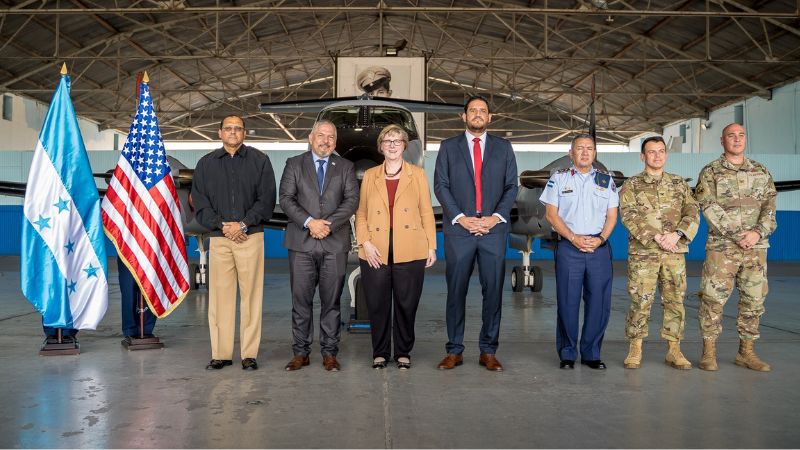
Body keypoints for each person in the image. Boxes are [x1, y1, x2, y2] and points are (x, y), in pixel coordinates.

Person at [433, 95, 518, 372]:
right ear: (464, 117)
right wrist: (461, 218)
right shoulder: (448, 147)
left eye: (483, 110)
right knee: (455, 292)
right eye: (473, 110)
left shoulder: (504, 148)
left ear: (490, 117)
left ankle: (488, 351)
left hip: (493, 231)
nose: (478, 114)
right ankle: (454, 350)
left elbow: (511, 186)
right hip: (460, 231)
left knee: (493, 293)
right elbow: (441, 185)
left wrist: (494, 218)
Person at [191, 115, 276, 371]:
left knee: (252, 298)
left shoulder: (260, 161)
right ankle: (221, 353)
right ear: (219, 133)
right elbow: (200, 203)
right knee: (220, 298)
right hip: (220, 239)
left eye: (238, 128)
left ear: (244, 133)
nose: (233, 132)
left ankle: (249, 354)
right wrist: (223, 226)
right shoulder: (205, 164)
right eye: (228, 128)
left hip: (251, 236)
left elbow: (266, 200)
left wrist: (243, 224)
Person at [695, 123, 777, 372]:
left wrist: (757, 233)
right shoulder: (711, 171)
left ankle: (746, 352)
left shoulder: (761, 171)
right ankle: (709, 353)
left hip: (756, 247)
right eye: (731, 135)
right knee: (713, 299)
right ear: (722, 141)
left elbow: (769, 207)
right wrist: (737, 234)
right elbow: (708, 206)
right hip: (722, 248)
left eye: (741, 135)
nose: (737, 139)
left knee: (754, 300)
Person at [355, 124, 437, 370]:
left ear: (404, 146)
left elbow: (426, 212)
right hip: (375, 250)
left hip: (411, 248)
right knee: (377, 305)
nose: (392, 145)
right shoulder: (370, 175)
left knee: (406, 304)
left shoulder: (417, 175)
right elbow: (361, 213)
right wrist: (365, 242)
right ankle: (380, 352)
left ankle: (403, 352)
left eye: (397, 140)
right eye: (387, 141)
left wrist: (431, 246)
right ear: (381, 146)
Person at [280, 120, 359, 372]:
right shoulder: (294, 164)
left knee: (332, 302)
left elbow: (352, 200)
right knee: (300, 302)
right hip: (301, 243)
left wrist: (328, 225)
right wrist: (310, 222)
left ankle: (329, 353)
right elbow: (286, 199)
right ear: (311, 137)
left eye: (331, 137)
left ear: (335, 142)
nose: (326, 141)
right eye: (321, 135)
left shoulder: (345, 167)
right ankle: (300, 353)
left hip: (334, 244)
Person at [619, 136, 699, 370]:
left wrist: (677, 234)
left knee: (675, 301)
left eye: (661, 151)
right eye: (651, 152)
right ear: (642, 156)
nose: (657, 155)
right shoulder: (632, 185)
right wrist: (655, 236)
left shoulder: (679, 183)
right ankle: (635, 348)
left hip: (674, 252)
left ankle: (674, 350)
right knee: (640, 300)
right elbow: (628, 214)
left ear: (666, 154)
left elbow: (692, 210)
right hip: (644, 253)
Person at [539, 134, 618, 370]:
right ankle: (567, 353)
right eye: (580, 148)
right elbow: (551, 214)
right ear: (571, 153)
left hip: (598, 248)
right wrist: (573, 238)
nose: (585, 152)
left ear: (595, 153)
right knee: (567, 301)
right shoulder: (558, 179)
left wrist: (601, 239)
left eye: (589, 148)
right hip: (569, 248)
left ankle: (591, 353)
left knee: (599, 303)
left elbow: (612, 215)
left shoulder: (606, 180)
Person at [118, 257, 157, 342]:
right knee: (128, 289)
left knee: (150, 288)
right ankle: (130, 329)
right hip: (127, 252)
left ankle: (146, 328)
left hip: (149, 252)